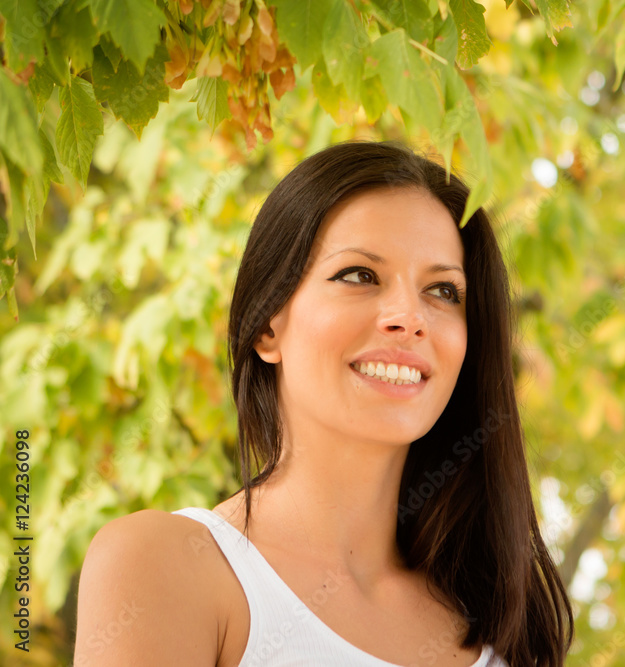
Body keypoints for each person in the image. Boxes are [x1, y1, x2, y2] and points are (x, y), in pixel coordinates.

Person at [74, 140, 574, 666]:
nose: (410, 315)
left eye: (444, 290)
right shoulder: (166, 566)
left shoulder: (502, 626)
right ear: (268, 325)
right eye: (359, 275)